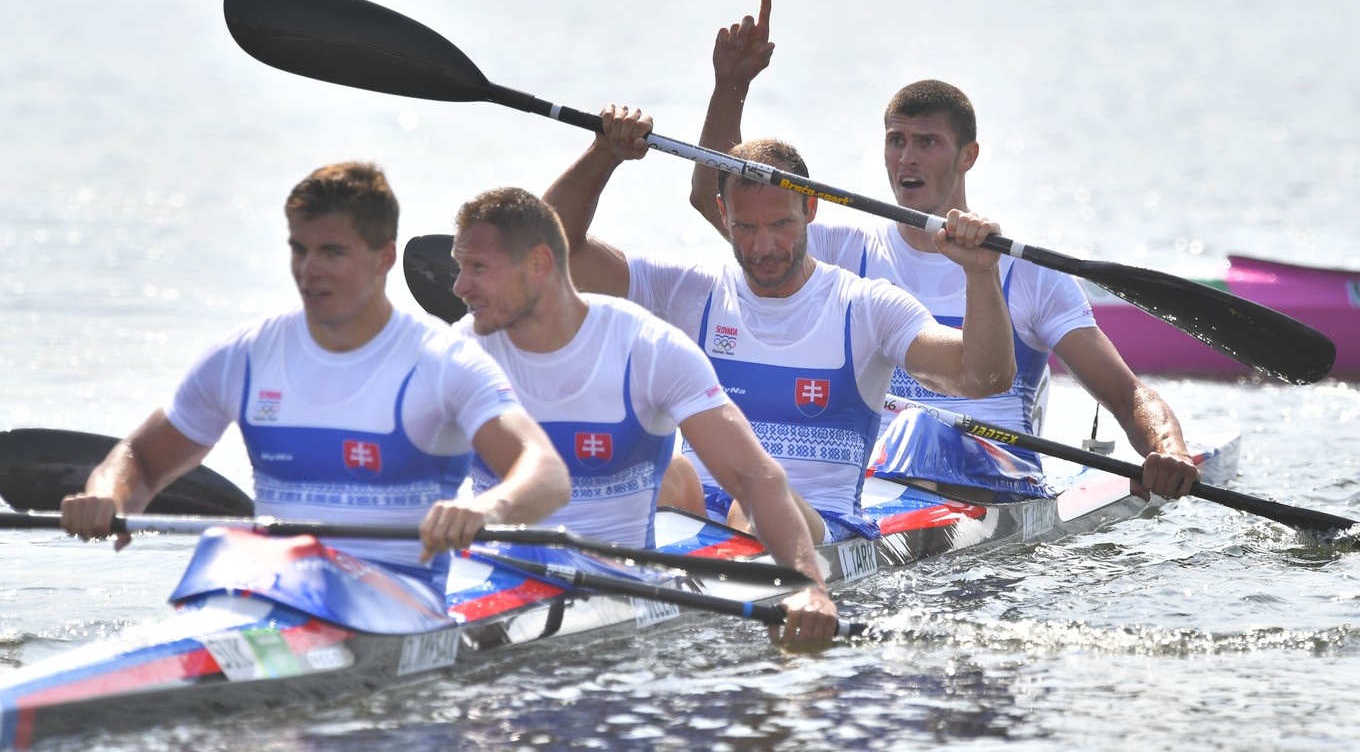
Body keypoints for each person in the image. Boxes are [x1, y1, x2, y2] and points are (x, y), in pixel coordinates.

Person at [688, 0, 1200, 500]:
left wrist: (1168, 447)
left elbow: (1127, 393)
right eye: (897, 140)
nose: (906, 159)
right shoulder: (844, 250)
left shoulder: (1028, 271)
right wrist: (730, 87)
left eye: (927, 143)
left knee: (921, 427)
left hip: (996, 478)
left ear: (967, 156)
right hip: (872, 482)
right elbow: (717, 201)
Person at [60, 162, 571, 591]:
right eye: (300, 250)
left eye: (332, 253)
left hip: (394, 603)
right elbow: (141, 458)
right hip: (263, 592)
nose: (309, 271)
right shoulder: (245, 356)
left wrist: (485, 510)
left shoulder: (443, 362)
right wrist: (109, 493)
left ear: (384, 258)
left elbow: (546, 472)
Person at [544, 106, 1018, 543]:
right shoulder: (691, 291)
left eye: (781, 225)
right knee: (655, 468)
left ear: (810, 211)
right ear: (724, 216)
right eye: (746, 229)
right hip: (701, 519)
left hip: (816, 525)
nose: (764, 247)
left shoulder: (866, 306)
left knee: (755, 495)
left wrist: (980, 272)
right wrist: (603, 154)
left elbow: (983, 377)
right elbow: (546, 254)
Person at [445, 186, 838, 642]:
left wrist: (806, 585)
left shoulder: (648, 348)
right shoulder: (459, 352)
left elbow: (755, 477)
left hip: (615, 595)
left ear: (538, 265)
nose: (458, 287)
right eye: (460, 267)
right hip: (493, 575)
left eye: (478, 269)